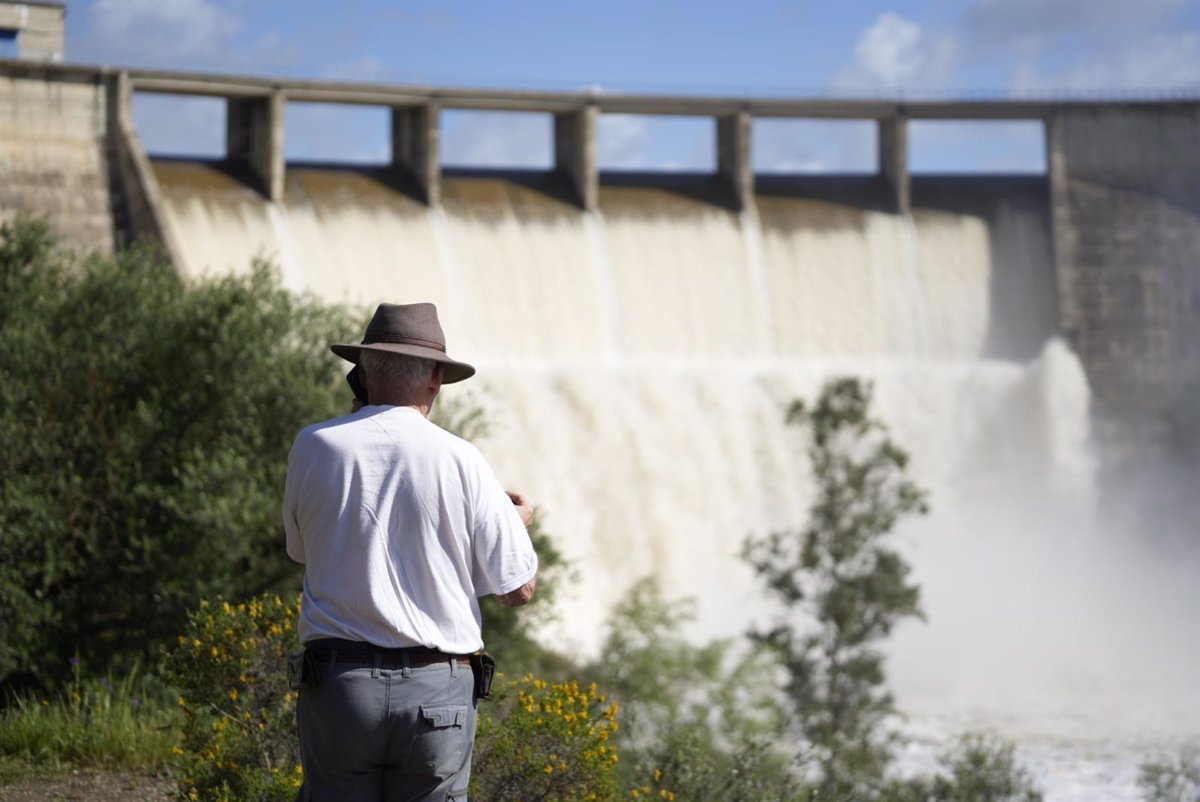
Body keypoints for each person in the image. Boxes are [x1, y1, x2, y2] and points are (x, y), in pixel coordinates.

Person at [283, 302, 538, 802]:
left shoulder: (314, 445)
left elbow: (301, 550)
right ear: (436, 378)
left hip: (341, 685)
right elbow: (518, 590)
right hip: (436, 692)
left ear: (363, 372)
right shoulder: (462, 458)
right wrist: (514, 522)